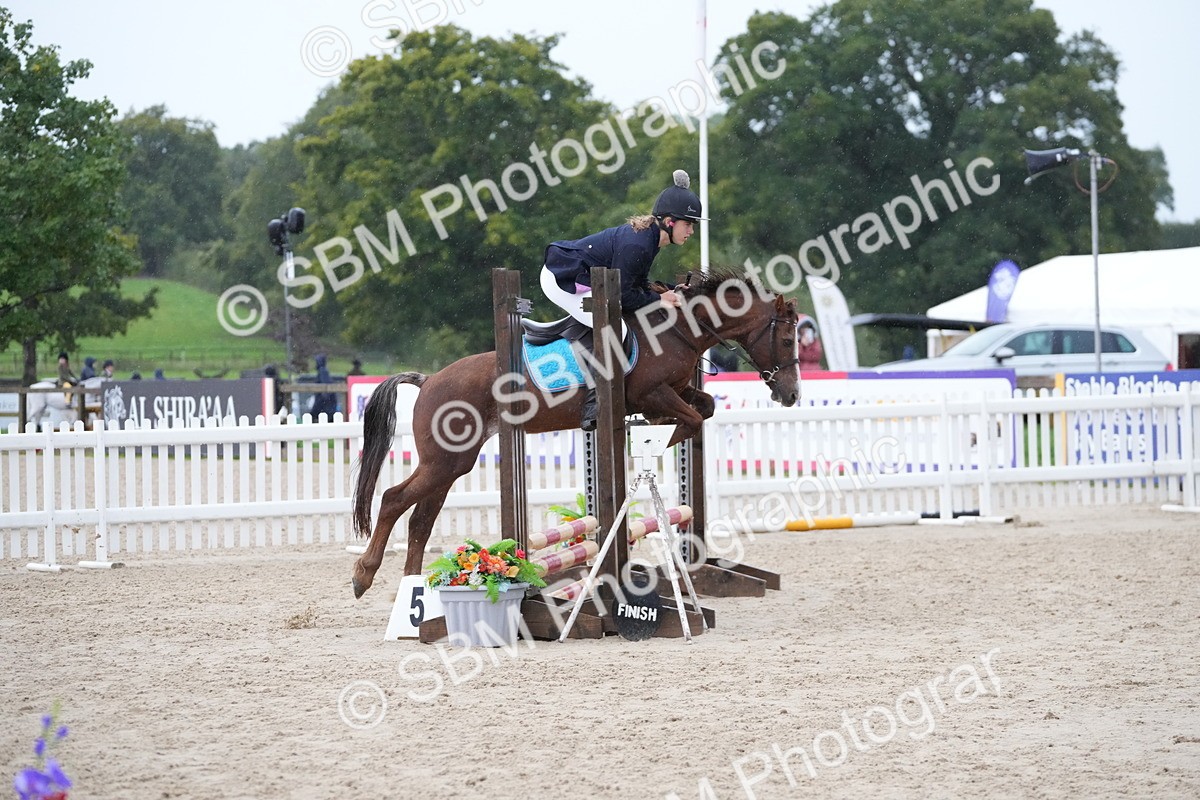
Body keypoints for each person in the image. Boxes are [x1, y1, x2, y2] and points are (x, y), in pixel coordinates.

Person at [541, 169, 705, 430]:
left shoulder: (650, 239)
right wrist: (660, 300)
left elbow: (636, 283)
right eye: (689, 225)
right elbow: (624, 296)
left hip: (588, 278)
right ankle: (594, 401)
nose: (691, 231)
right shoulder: (639, 244)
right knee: (613, 327)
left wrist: (669, 291)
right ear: (670, 222)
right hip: (563, 279)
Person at [310, 354, 338, 420]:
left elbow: (325, 386)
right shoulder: (323, 371)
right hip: (326, 404)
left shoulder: (322, 371)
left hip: (324, 405)